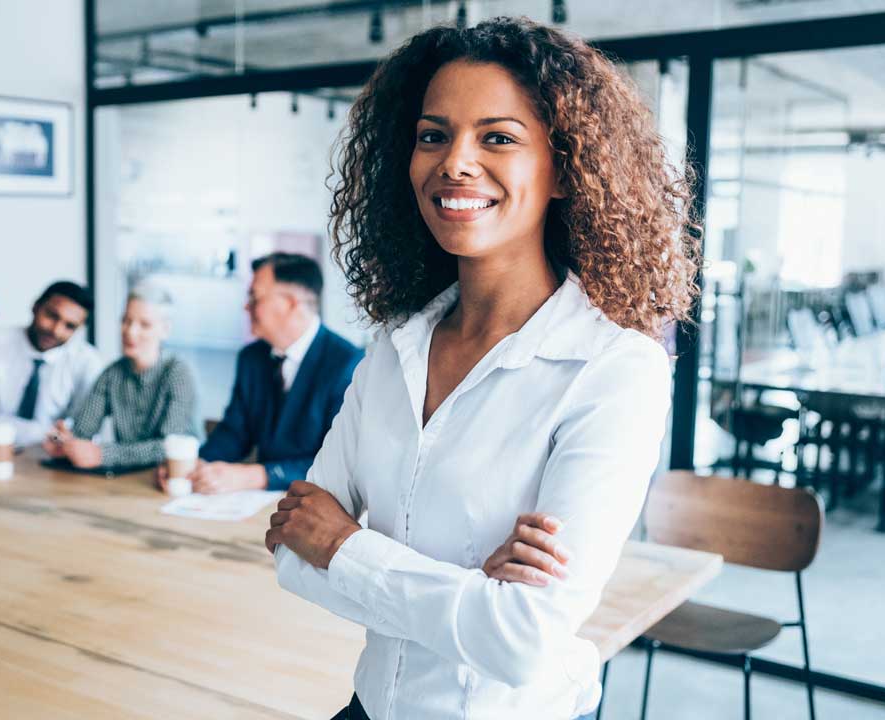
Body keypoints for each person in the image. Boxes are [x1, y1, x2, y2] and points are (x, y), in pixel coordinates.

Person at [265, 18, 700, 720]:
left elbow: (522, 641)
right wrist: (468, 592)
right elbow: (290, 549)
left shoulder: (615, 370)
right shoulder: (394, 348)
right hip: (372, 705)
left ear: (564, 169)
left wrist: (345, 545)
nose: (455, 163)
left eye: (497, 137)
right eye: (433, 135)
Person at [188, 252, 363, 494]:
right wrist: (196, 465)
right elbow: (234, 433)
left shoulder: (349, 364)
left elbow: (341, 464)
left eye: (254, 297)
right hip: (257, 506)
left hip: (318, 506)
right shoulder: (251, 358)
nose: (246, 306)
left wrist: (258, 475)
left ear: (291, 303)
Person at [44, 285, 198, 469]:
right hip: (127, 482)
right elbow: (82, 431)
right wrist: (64, 442)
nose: (130, 331)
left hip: (174, 479)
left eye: (145, 325)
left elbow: (168, 447)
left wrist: (102, 454)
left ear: (165, 330)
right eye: (126, 320)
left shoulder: (178, 373)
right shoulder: (111, 374)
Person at [0, 280, 102, 447]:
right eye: (52, 316)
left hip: (56, 461)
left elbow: (82, 431)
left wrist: (63, 437)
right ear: (35, 306)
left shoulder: (88, 361)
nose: (56, 330)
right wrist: (53, 434)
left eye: (70, 326)